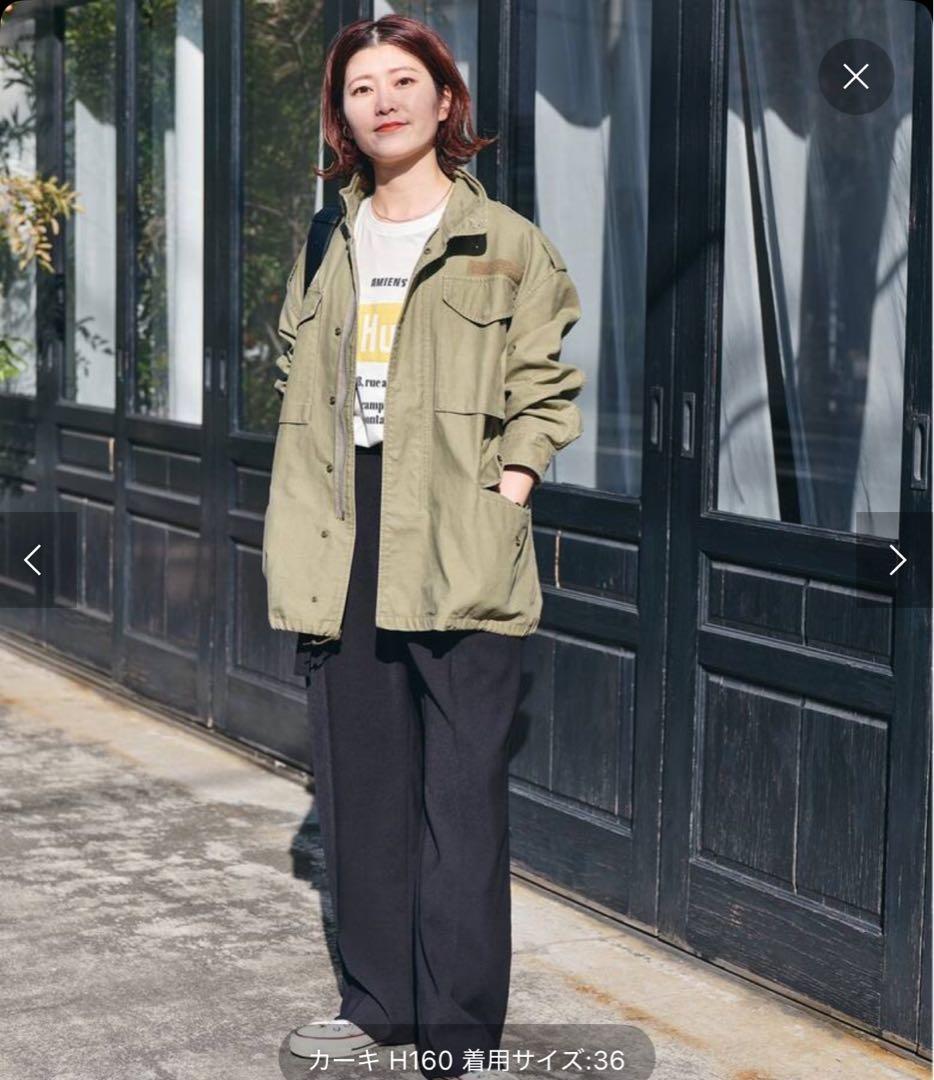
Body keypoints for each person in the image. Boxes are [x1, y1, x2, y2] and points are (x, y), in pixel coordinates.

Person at [263, 14, 585, 1080]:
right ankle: (377, 1004)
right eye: (361, 87)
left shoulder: (507, 242)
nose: (384, 100)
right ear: (343, 117)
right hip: (343, 527)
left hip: (458, 523)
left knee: (460, 792)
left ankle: (456, 1032)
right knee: (361, 786)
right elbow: (294, 364)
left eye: (404, 81)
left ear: (446, 101)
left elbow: (544, 385)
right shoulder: (328, 238)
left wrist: (511, 485)